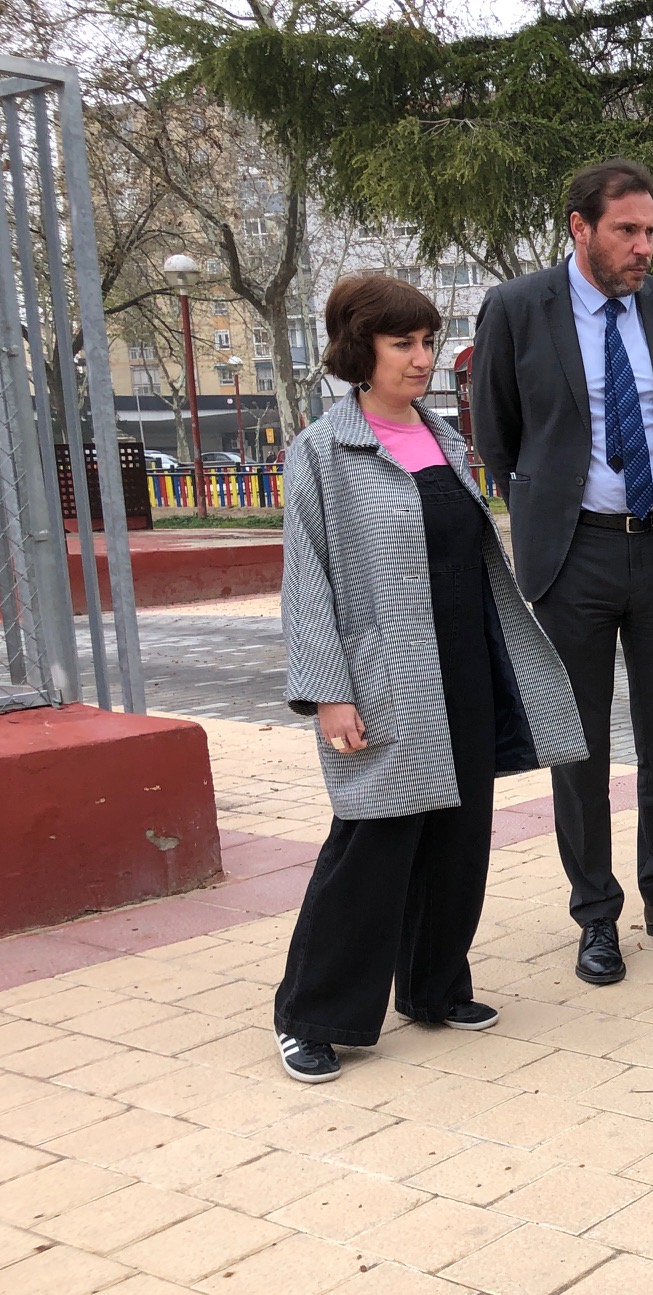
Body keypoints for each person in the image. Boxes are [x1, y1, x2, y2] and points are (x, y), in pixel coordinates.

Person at [273, 276, 587, 1083]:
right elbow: (306, 582)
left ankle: (435, 988)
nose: (422, 358)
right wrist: (329, 692)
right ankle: (311, 1015)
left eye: (426, 343)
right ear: (360, 351)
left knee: (460, 836)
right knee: (374, 840)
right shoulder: (322, 451)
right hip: (386, 674)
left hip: (466, 662)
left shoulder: (441, 436)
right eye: (402, 344)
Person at [473, 160, 653, 988]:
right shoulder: (517, 308)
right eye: (627, 231)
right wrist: (549, 513)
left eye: (651, 231)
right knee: (577, 744)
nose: (644, 247)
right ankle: (595, 914)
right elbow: (498, 435)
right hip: (572, 554)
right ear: (579, 227)